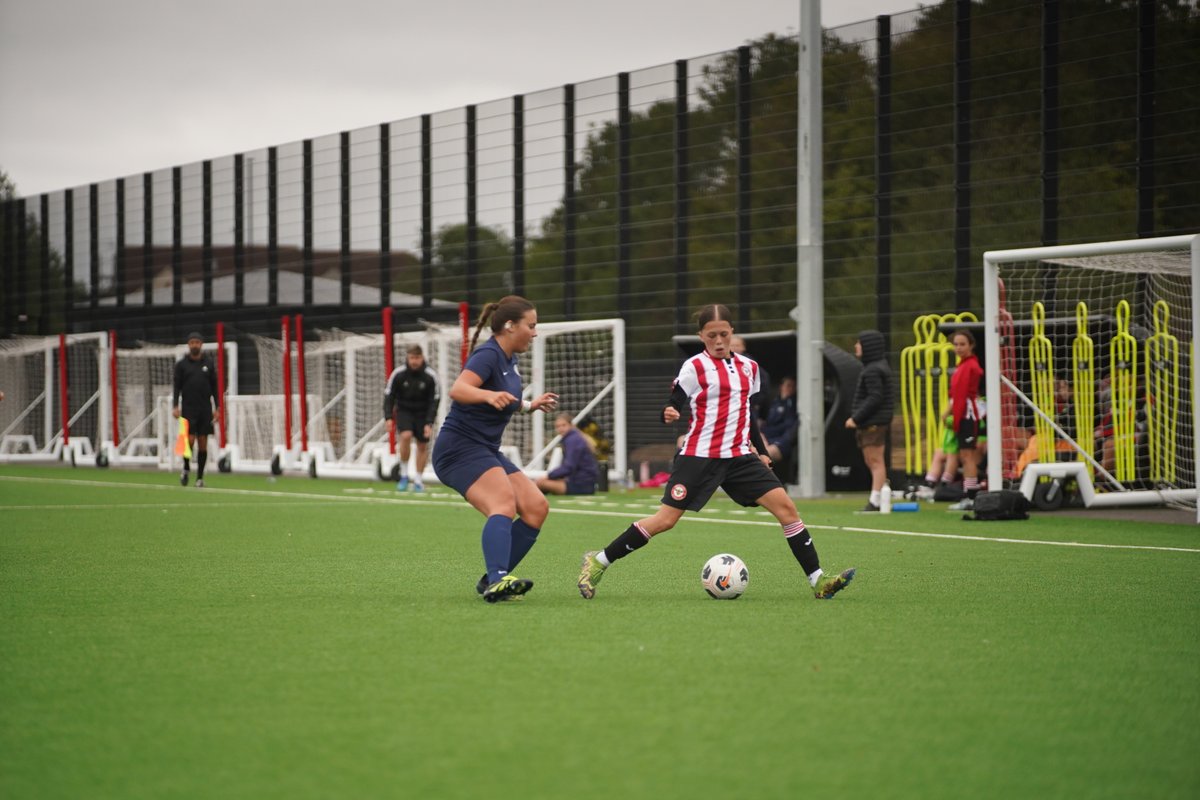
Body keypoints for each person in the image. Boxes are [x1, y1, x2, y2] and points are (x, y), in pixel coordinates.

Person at [577, 303, 855, 601]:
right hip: (699, 457)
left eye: (724, 334)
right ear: (701, 336)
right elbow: (674, 401)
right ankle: (598, 561)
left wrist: (761, 452)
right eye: (712, 336)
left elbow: (748, 413)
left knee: (787, 509)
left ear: (732, 332)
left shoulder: (749, 367)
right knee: (665, 520)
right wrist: (669, 411)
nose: (719, 341)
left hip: (739, 457)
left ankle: (818, 581)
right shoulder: (694, 366)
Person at [431, 295, 559, 603]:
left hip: (485, 449)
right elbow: (459, 389)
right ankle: (498, 580)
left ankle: (492, 579)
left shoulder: (510, 359)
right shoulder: (488, 354)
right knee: (503, 503)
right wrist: (487, 396)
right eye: (531, 326)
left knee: (536, 507)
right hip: (459, 449)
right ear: (510, 326)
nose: (535, 333)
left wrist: (529, 405)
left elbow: (504, 396)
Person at [845, 330, 894, 511]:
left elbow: (875, 397)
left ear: (869, 346)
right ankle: (878, 498)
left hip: (873, 423)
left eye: (859, 343)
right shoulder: (873, 367)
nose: (856, 346)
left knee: (875, 461)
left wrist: (856, 418)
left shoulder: (873, 369)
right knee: (871, 460)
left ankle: (875, 501)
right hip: (871, 422)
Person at [384, 344, 440, 492]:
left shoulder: (430, 375)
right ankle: (403, 475)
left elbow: (434, 400)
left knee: (422, 445)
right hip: (404, 411)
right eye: (412, 358)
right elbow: (389, 395)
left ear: (422, 358)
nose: (414, 361)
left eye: (417, 358)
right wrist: (388, 417)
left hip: (423, 414)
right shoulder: (398, 374)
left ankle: (418, 480)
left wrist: (429, 422)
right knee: (406, 436)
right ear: (407, 358)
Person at [172, 332, 220, 488]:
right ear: (188, 344)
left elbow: (215, 387)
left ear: (201, 344)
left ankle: (199, 478)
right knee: (189, 440)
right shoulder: (181, 365)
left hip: (205, 408)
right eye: (192, 342)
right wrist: (175, 405)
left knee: (203, 442)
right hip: (188, 408)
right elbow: (176, 387)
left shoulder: (209, 364)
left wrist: (218, 407)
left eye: (197, 342)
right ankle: (186, 468)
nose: (194, 345)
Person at [946, 329, 985, 510]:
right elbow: (955, 394)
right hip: (962, 414)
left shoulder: (971, 366)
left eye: (962, 344)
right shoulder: (962, 366)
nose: (958, 348)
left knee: (968, 456)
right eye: (956, 344)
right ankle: (968, 494)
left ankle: (971, 497)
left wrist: (950, 413)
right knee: (964, 456)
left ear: (971, 345)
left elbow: (962, 395)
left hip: (968, 415)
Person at [535, 412, 599, 495]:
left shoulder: (572, 440)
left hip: (582, 485)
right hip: (583, 482)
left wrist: (549, 475)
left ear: (571, 425)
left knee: (540, 483)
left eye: (563, 425)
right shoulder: (574, 437)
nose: (561, 428)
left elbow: (569, 467)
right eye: (558, 426)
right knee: (544, 482)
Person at [760, 376, 798, 465]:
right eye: (788, 385)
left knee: (763, 456)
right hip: (767, 438)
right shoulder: (775, 402)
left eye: (793, 386)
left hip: (781, 442)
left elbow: (788, 428)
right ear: (781, 386)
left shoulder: (793, 404)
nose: (791, 389)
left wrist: (774, 442)